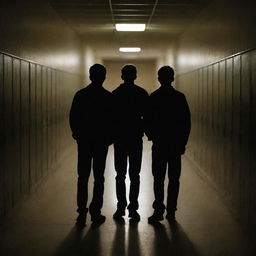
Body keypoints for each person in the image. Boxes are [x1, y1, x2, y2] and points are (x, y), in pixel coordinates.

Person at [69, 64, 113, 227]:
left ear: (90, 76)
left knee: (83, 177)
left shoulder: (81, 95)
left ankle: (81, 213)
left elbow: (73, 117)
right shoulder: (108, 97)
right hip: (101, 143)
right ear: (104, 77)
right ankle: (96, 213)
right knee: (99, 177)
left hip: (85, 142)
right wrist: (109, 139)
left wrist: (78, 135)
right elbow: (113, 122)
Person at [145, 66, 191, 223]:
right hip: (174, 145)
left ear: (159, 78)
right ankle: (171, 211)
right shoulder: (179, 97)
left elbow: (147, 121)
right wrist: (182, 143)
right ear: (172, 78)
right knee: (174, 179)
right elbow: (186, 123)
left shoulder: (154, 97)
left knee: (158, 178)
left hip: (159, 145)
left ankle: (158, 210)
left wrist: (152, 136)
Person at [112, 64, 148, 222]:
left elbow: (110, 119)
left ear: (122, 76)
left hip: (120, 139)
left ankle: (121, 207)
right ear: (135, 76)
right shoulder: (141, 94)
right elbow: (147, 117)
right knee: (135, 175)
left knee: (120, 175)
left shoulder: (115, 94)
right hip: (135, 139)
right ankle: (133, 208)